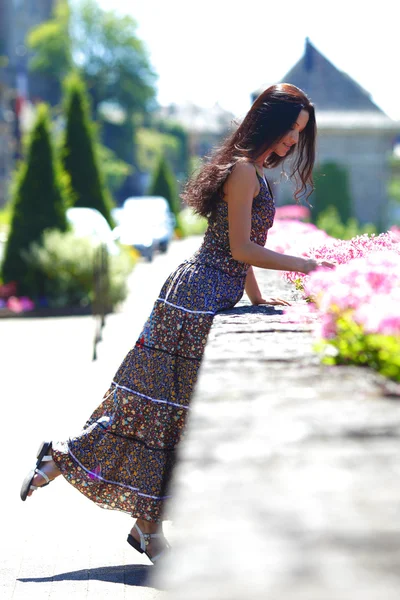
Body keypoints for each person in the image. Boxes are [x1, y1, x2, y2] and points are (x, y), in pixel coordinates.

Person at [20, 83, 333, 563]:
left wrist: (257, 300)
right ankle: (64, 460)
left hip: (201, 296)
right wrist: (307, 267)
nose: (293, 142)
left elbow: (240, 251)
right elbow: (240, 249)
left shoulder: (250, 171)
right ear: (270, 123)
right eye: (291, 131)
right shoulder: (245, 172)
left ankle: (141, 525)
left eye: (299, 134)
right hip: (195, 302)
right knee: (154, 410)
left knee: (164, 414)